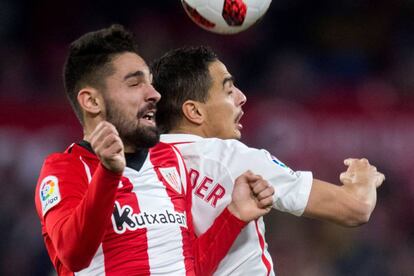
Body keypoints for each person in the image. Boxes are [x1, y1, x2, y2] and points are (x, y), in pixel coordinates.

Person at [34, 25, 275, 275]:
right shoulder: (66, 170)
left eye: (150, 82)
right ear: (92, 101)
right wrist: (108, 174)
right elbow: (73, 255)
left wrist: (234, 215)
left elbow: (189, 267)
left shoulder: (170, 160)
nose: (154, 94)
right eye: (135, 83)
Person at [151, 46, 386, 276]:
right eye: (228, 90)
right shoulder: (232, 157)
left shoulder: (139, 168)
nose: (242, 97)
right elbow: (354, 209)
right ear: (194, 112)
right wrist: (364, 180)